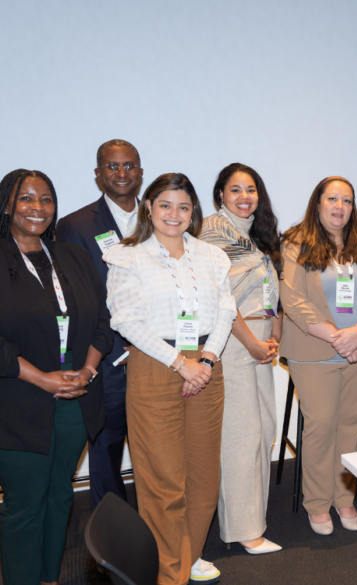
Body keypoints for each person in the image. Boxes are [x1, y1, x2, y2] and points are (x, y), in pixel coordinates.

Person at [104, 173, 236, 583]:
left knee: (202, 476)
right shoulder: (128, 256)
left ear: (193, 211)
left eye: (183, 206)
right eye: (165, 205)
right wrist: (182, 364)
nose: (174, 215)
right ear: (149, 208)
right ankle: (168, 572)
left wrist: (208, 361)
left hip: (208, 365)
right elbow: (125, 320)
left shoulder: (212, 256)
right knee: (162, 479)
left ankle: (188, 553)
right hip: (155, 364)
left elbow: (226, 311)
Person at [0, 169, 113, 585]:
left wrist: (87, 368)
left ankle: (50, 578)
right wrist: (42, 379)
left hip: (75, 400)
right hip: (17, 403)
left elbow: (102, 319)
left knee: (60, 494)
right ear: (7, 204)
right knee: (25, 504)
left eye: (45, 199)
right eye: (25, 198)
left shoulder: (73, 257)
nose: (37, 208)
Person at [279, 176, 357, 535]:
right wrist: (335, 336)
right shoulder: (296, 243)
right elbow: (293, 299)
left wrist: (356, 333)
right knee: (322, 425)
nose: (340, 206)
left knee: (350, 424)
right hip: (314, 351)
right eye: (332, 199)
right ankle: (317, 502)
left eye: (347, 200)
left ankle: (343, 498)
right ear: (318, 203)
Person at [199, 163, 283, 555]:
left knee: (263, 429)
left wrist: (275, 332)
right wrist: (251, 342)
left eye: (251, 189)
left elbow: (270, 289)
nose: (244, 197)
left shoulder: (257, 234)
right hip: (234, 343)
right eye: (235, 190)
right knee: (240, 437)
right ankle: (243, 530)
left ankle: (252, 518)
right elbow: (222, 300)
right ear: (220, 195)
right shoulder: (212, 235)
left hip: (261, 342)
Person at [56, 139, 142, 515]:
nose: (121, 173)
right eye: (112, 166)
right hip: (107, 359)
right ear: (97, 174)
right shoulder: (74, 226)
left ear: (140, 172)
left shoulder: (163, 217)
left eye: (129, 166)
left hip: (160, 354)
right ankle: (114, 543)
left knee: (157, 447)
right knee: (106, 449)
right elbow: (75, 298)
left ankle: (160, 530)